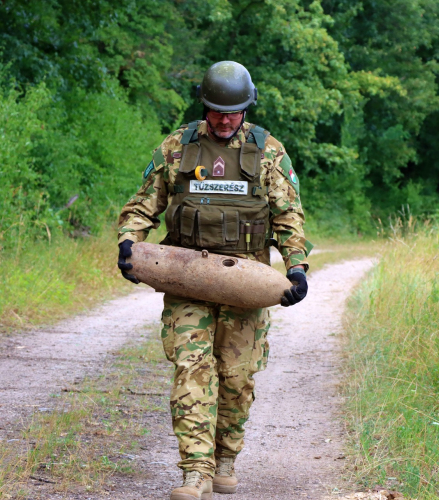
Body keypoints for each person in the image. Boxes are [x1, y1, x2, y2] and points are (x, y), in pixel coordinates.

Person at [116, 61, 312, 500]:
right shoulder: (177, 148)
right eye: (217, 111)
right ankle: (195, 471)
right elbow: (143, 204)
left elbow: (288, 218)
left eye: (234, 112)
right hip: (187, 278)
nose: (225, 120)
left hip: (244, 281)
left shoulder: (268, 153)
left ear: (248, 107)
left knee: (237, 377)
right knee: (192, 368)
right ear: (204, 105)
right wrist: (130, 242)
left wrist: (296, 267)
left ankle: (225, 458)